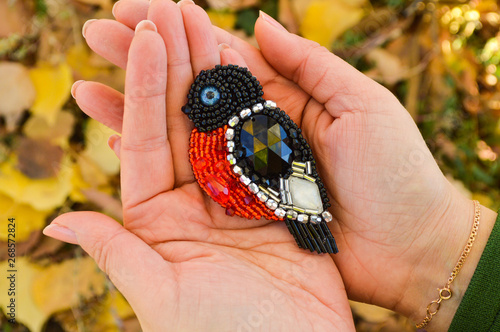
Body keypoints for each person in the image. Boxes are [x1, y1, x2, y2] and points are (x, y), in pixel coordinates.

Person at [43, 0, 499, 331]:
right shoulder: (223, 131)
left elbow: (281, 176)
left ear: (227, 97)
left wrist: (432, 245)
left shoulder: (252, 128)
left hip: (295, 211)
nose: (192, 107)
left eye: (205, 98)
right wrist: (441, 252)